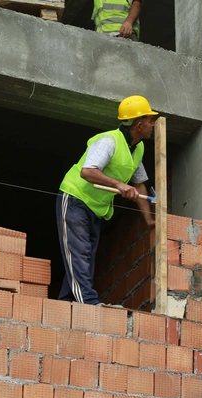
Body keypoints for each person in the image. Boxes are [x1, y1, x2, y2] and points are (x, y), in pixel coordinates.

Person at [56, 95, 157, 305]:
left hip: (96, 208)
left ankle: (66, 303)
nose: (153, 125)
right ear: (139, 125)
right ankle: (88, 302)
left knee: (86, 258)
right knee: (78, 254)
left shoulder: (137, 148)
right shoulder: (109, 141)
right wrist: (120, 185)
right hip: (75, 198)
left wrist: (148, 219)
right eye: (150, 121)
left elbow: (139, 184)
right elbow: (87, 171)